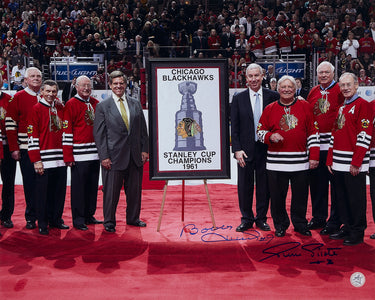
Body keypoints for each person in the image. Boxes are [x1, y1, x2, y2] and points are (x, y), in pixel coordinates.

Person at [257, 75, 320, 237]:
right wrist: (270, 136)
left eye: (289, 87)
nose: (286, 90)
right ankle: (280, 225)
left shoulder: (305, 106)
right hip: (276, 163)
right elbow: (260, 131)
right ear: (278, 90)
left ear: (295, 89)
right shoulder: (269, 108)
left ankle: (300, 223)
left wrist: (314, 156)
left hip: (300, 162)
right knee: (277, 198)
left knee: (300, 196)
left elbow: (313, 132)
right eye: (283, 87)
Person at [93, 71, 149, 233]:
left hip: (135, 156)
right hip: (113, 158)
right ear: (110, 85)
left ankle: (133, 218)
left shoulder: (135, 103)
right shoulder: (102, 106)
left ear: (126, 85)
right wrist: (104, 156)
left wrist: (145, 149)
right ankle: (109, 221)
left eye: (121, 83)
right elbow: (99, 134)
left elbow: (143, 130)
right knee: (111, 193)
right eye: (115, 83)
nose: (119, 86)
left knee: (134, 191)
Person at [230, 63, 279, 233]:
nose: (253, 79)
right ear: (246, 78)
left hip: (266, 149)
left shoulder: (273, 96)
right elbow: (234, 127)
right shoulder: (238, 98)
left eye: (256, 76)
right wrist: (236, 149)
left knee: (265, 185)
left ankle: (261, 218)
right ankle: (246, 219)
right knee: (244, 185)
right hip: (244, 150)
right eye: (250, 76)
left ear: (262, 75)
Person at [327, 72, 372, 246]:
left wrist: (357, 161)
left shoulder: (363, 105)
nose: (345, 88)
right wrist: (330, 159)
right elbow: (334, 134)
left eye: (348, 85)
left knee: (356, 199)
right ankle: (346, 226)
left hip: (352, 163)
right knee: (341, 198)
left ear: (356, 85)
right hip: (338, 162)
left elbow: (364, 135)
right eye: (342, 85)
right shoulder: (341, 107)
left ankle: (357, 231)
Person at [306, 61, 345, 235]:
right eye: (320, 72)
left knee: (336, 185)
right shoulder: (313, 91)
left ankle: (335, 221)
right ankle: (319, 217)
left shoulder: (340, 91)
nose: (323, 75)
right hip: (316, 146)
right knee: (317, 184)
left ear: (333, 74)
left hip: (334, 147)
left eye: (326, 72)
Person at [27, 80, 68, 235]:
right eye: (48, 91)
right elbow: (32, 136)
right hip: (44, 159)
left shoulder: (60, 108)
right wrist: (36, 160)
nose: (51, 94)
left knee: (58, 192)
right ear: (42, 92)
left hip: (60, 159)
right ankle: (42, 223)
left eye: (54, 91)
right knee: (43, 194)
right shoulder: (36, 109)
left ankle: (56, 220)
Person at [62, 75, 102, 231]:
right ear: (76, 87)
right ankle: (78, 219)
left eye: (89, 85)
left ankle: (89, 215)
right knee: (79, 189)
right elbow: (67, 131)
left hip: (95, 154)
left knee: (92, 187)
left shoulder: (96, 103)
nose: (86, 88)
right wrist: (68, 155)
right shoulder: (71, 104)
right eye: (83, 85)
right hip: (79, 155)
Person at [6, 67, 42, 229]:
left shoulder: (47, 95)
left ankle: (45, 215)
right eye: (32, 76)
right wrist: (14, 148)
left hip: (46, 149)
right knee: (30, 183)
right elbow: (10, 124)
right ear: (25, 80)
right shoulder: (18, 97)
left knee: (45, 183)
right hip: (25, 148)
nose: (36, 78)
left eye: (38, 76)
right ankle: (31, 217)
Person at [0, 74, 16, 229]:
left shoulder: (10, 100)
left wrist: (13, 148)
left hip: (6, 146)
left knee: (8, 182)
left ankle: (6, 215)